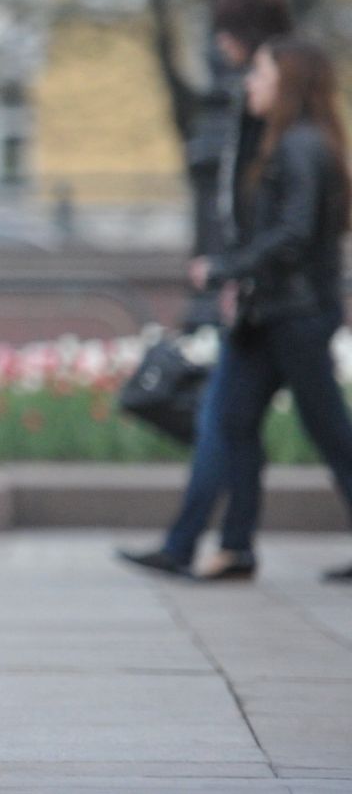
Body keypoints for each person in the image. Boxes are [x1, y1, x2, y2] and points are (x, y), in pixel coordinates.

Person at [121, 35, 352, 582]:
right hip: (267, 314)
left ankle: (207, 546)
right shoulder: (289, 140)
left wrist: (228, 268)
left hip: (293, 317)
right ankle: (222, 547)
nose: (249, 83)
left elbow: (293, 235)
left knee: (327, 432)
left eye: (262, 75)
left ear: (288, 85)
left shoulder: (300, 146)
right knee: (230, 423)